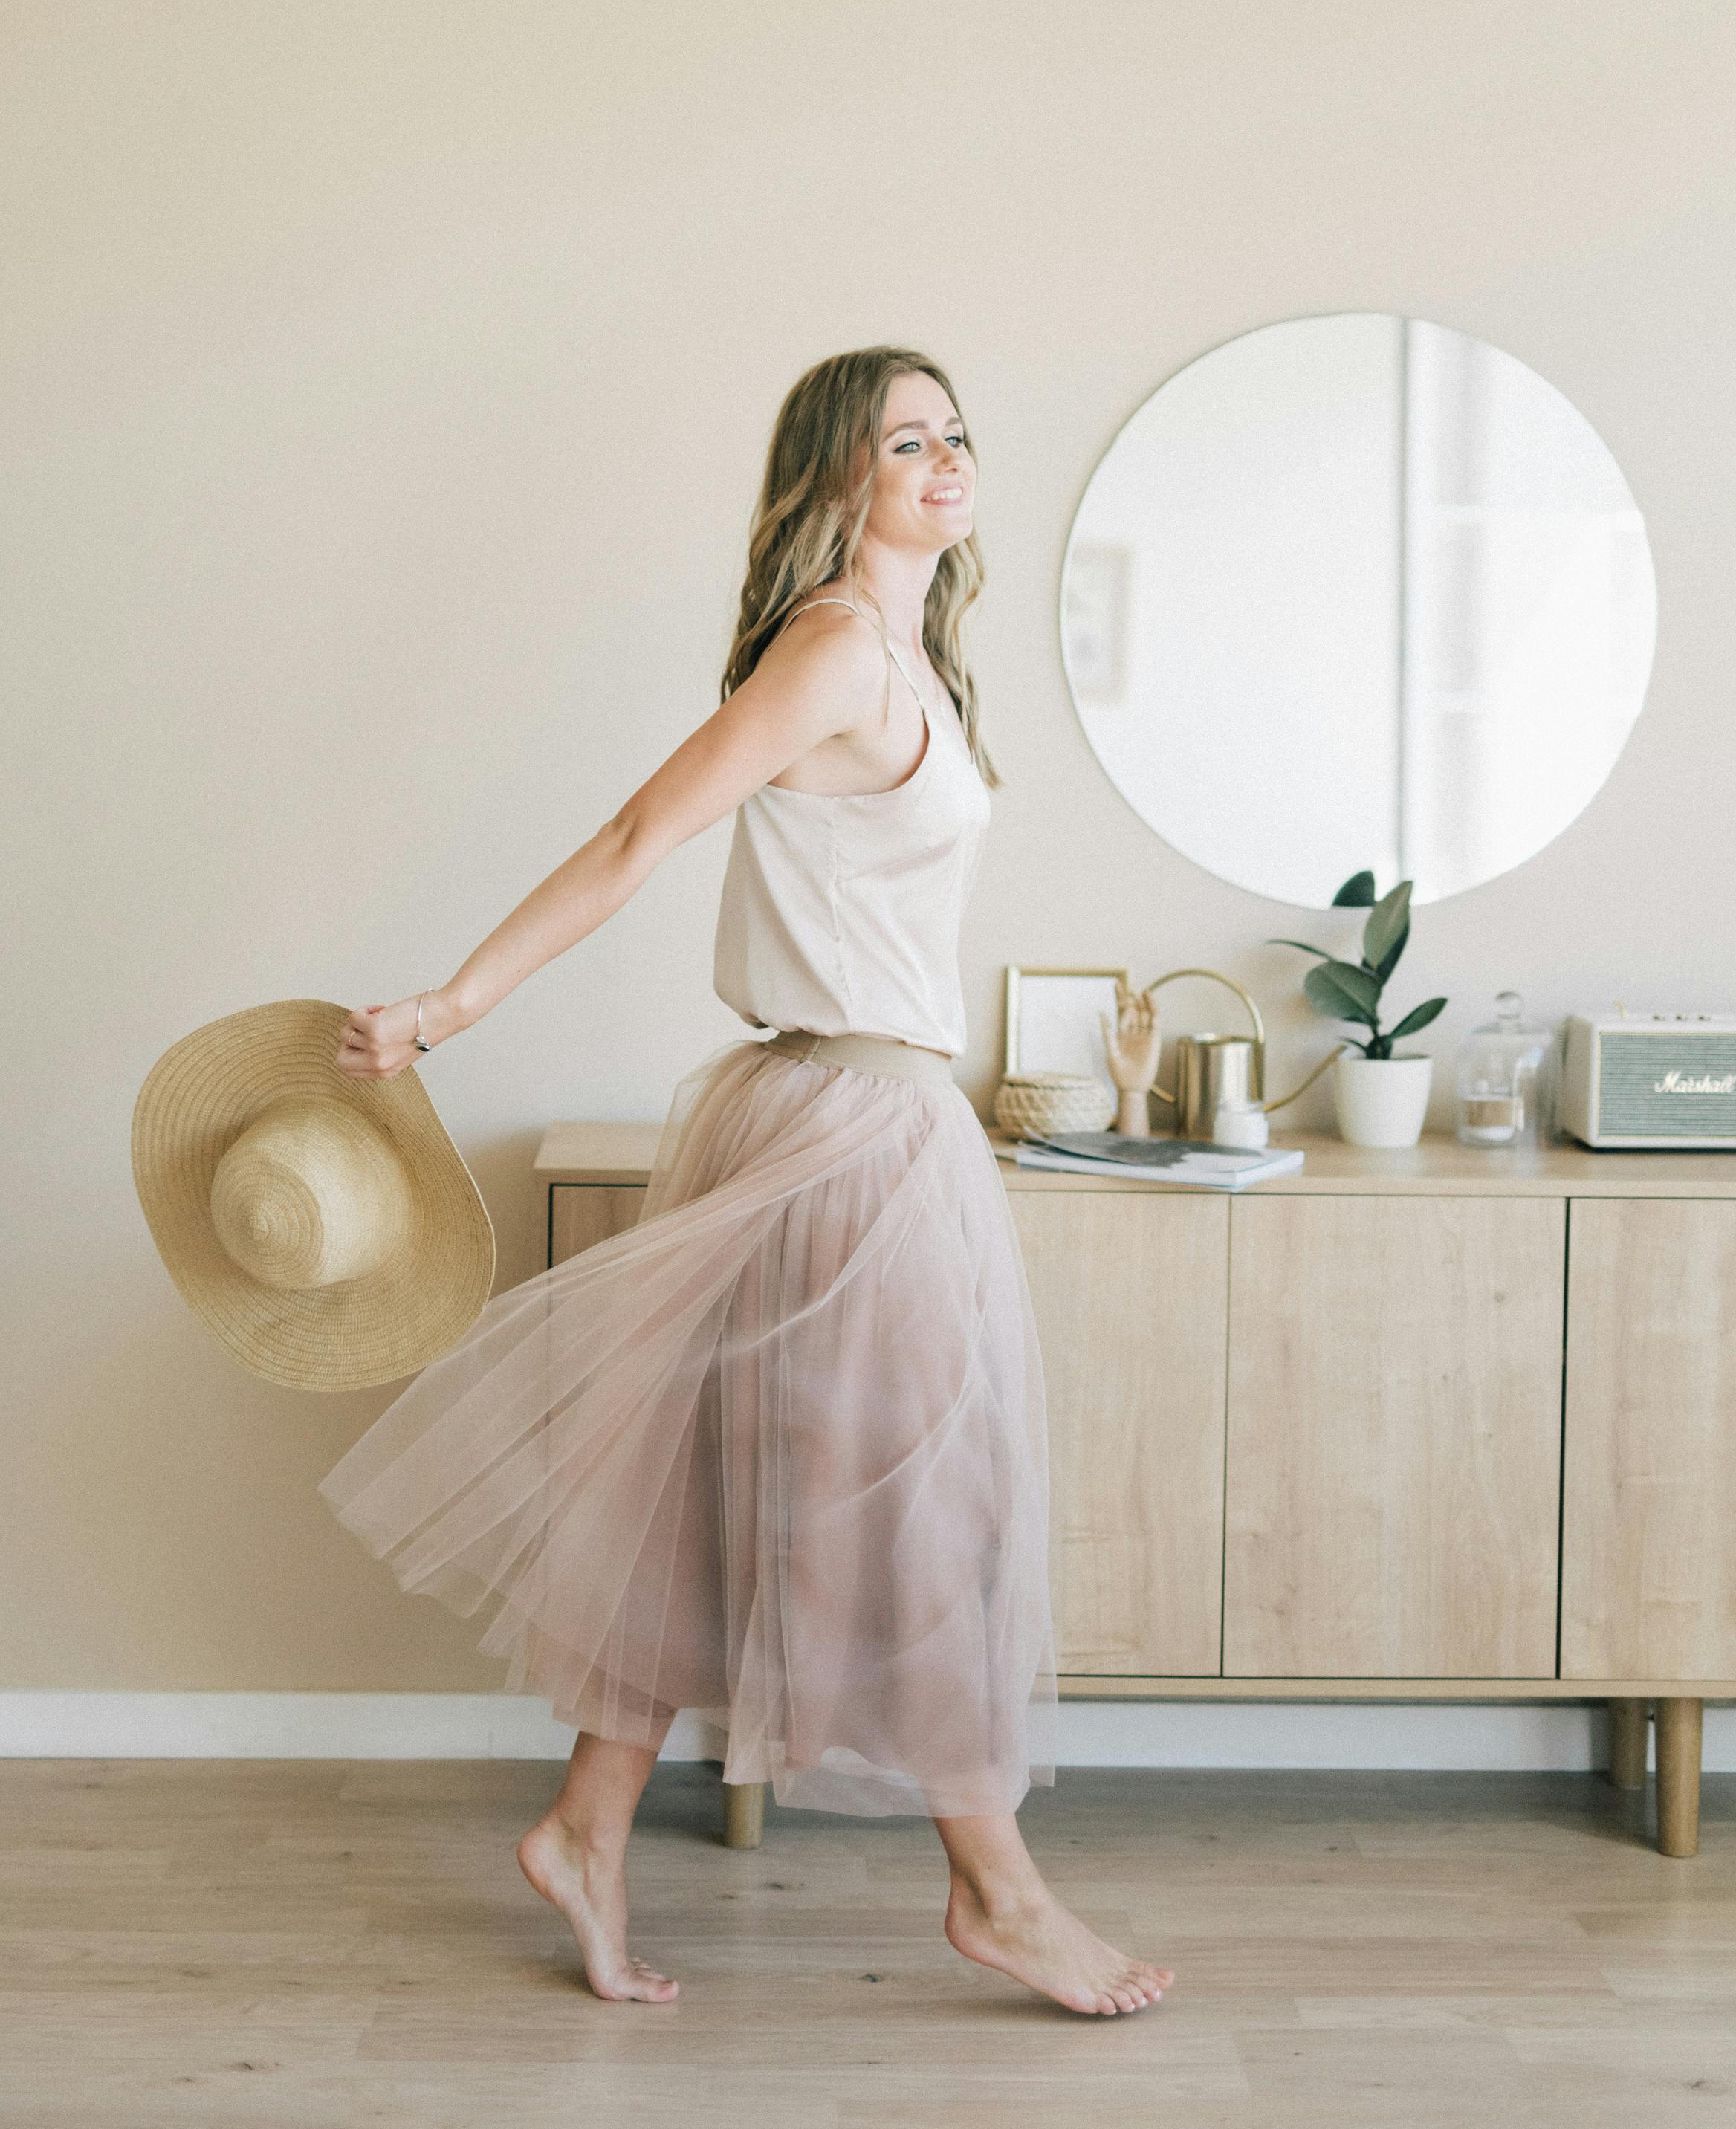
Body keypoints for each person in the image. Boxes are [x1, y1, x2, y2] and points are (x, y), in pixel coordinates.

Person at [327, 347, 1173, 2019]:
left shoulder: (911, 656)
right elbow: (639, 834)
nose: (946, 459)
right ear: (839, 477)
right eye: (905, 441)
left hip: (860, 1119)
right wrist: (446, 1009)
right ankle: (998, 1895)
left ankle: (586, 1828)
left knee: (711, 1496)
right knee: (926, 1513)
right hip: (848, 1135)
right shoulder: (839, 647)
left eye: (954, 433)